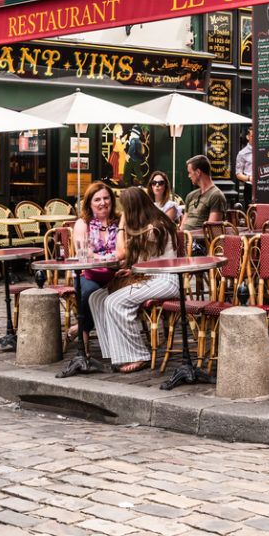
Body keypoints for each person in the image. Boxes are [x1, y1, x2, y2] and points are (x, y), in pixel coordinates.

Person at [87, 186, 181, 373]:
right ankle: (115, 352)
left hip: (166, 280)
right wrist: (131, 270)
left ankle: (138, 355)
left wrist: (121, 224)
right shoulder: (146, 225)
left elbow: (121, 252)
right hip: (148, 277)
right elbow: (147, 258)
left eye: (125, 209)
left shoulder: (155, 227)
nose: (123, 212)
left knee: (115, 301)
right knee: (96, 298)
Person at [70, 181, 120, 339]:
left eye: (106, 198)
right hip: (88, 273)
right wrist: (111, 256)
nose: (103, 203)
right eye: (97, 199)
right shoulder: (83, 223)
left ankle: (79, 327)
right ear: (89, 204)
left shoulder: (120, 222)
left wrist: (102, 256)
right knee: (90, 291)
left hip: (116, 273)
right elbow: (84, 254)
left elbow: (126, 250)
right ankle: (85, 330)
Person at [181, 154, 226, 231]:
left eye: (190, 172)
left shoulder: (216, 195)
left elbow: (211, 230)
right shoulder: (191, 195)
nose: (189, 176)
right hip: (184, 238)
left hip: (199, 241)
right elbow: (183, 225)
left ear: (198, 172)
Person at [234, 126, 254, 207]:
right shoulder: (242, 153)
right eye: (253, 136)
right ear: (247, 137)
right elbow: (238, 174)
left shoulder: (264, 151)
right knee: (251, 212)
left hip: (264, 186)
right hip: (250, 187)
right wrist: (249, 178)